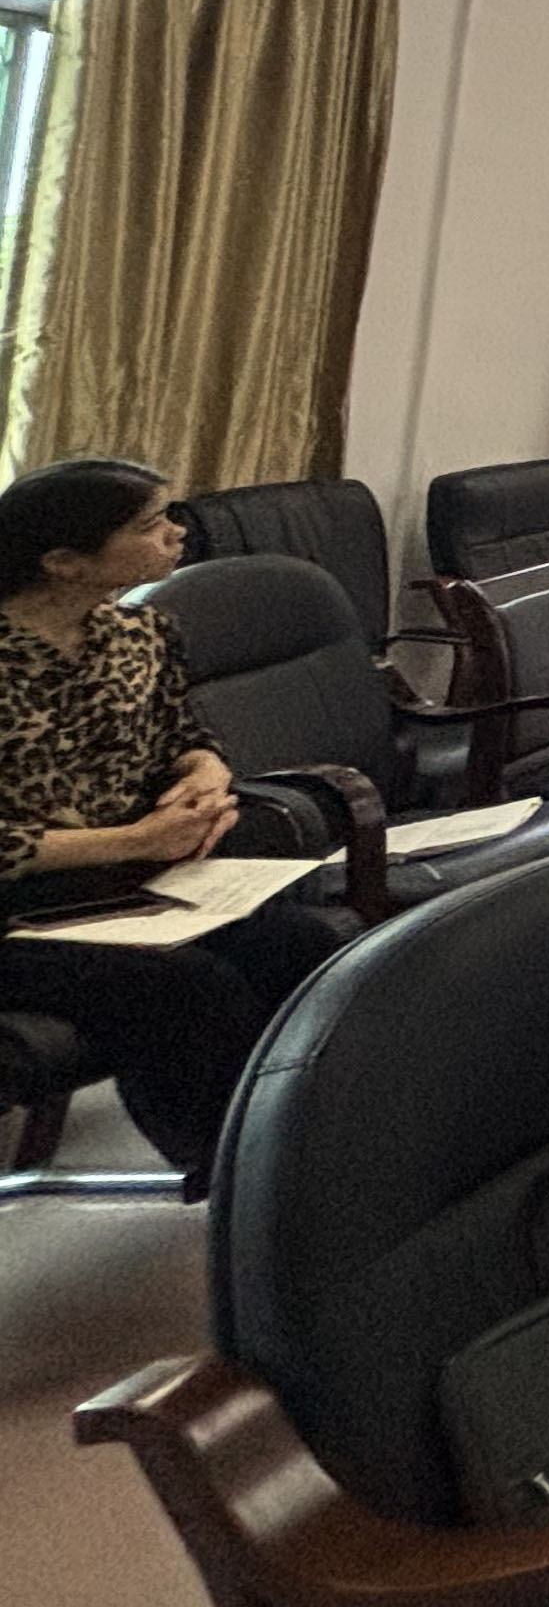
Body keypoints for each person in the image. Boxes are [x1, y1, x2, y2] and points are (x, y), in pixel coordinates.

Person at [0, 457, 352, 1186]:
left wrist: (204, 774)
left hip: (117, 885)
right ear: (64, 562)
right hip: (19, 907)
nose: (176, 533)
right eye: (149, 524)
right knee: (185, 989)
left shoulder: (141, 634)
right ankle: (236, 1180)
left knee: (304, 945)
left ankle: (311, 1149)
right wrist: (136, 840)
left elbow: (184, 736)